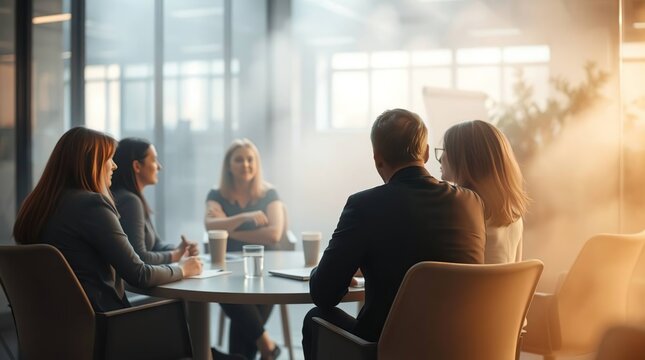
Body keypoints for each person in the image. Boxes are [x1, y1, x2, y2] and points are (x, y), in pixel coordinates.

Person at [301, 109, 487, 359]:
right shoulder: (471, 202)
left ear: (377, 159)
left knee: (315, 318)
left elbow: (324, 295)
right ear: (424, 152)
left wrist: (326, 269)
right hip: (460, 347)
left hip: (388, 350)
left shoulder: (364, 206)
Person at [12, 127, 203, 313]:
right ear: (90, 163)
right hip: (102, 326)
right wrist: (182, 269)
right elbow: (139, 274)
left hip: (49, 325)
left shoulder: (38, 206)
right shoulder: (92, 206)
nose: (114, 165)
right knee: (178, 315)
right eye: (109, 158)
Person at [204, 138, 284, 360]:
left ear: (257, 164)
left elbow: (274, 233)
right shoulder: (216, 194)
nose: (245, 164)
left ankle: (260, 347)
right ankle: (266, 345)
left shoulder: (270, 193)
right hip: (228, 265)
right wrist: (246, 217)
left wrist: (231, 228)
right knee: (226, 288)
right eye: (238, 160)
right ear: (228, 165)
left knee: (245, 309)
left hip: (267, 265)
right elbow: (210, 225)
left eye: (250, 160)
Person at [438, 120, 530, 264]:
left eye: (444, 151)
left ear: (466, 160)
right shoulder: (514, 215)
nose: (440, 159)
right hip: (505, 287)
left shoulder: (459, 213)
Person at [111, 138, 200, 265]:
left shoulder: (135, 199)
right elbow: (139, 258)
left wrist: (180, 249)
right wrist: (174, 255)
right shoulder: (130, 201)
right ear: (137, 166)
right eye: (153, 160)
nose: (159, 166)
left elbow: (156, 244)